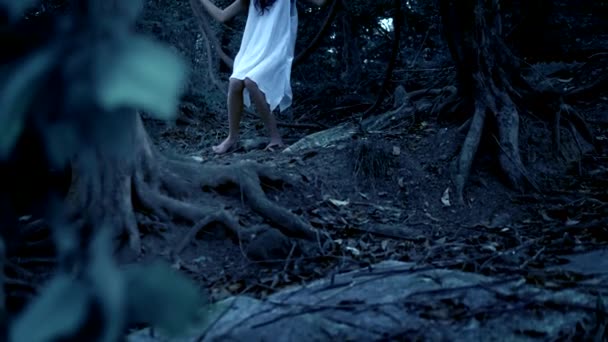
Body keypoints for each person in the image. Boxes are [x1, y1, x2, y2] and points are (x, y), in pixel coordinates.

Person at [200, 0, 327, 154]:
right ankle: (232, 138)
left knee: (251, 81)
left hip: (276, 48)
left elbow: (320, 2)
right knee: (234, 83)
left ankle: (275, 138)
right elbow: (222, 16)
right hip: (252, 50)